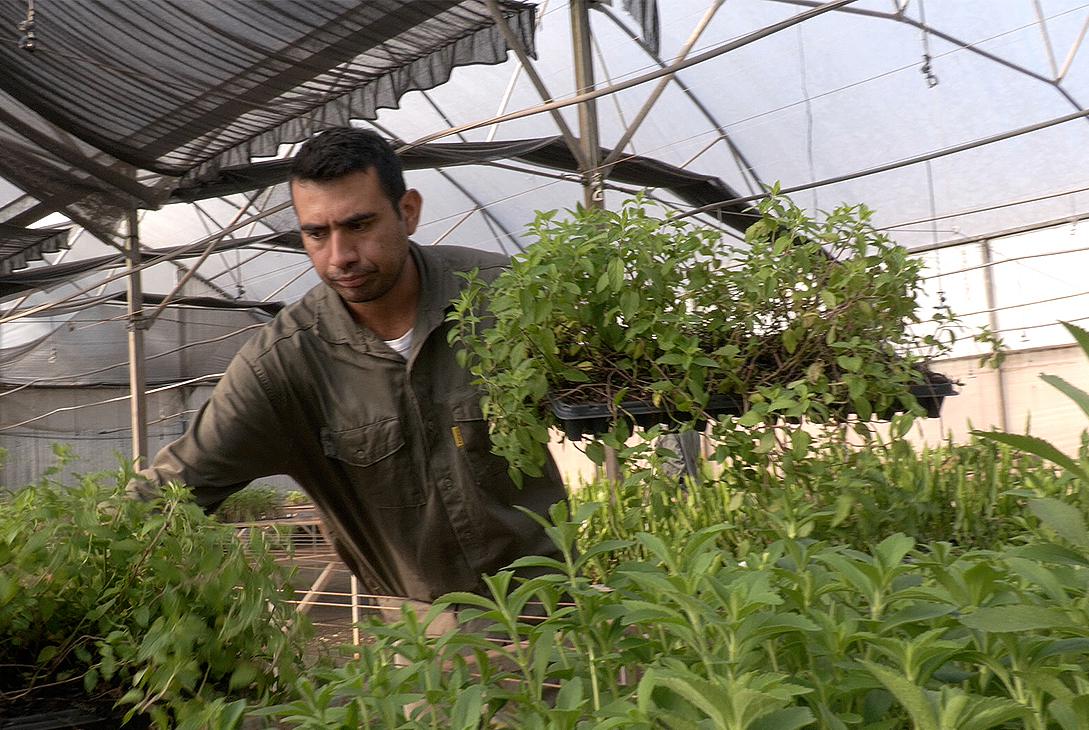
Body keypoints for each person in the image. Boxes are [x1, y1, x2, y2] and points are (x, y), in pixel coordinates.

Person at [129, 127, 568, 604]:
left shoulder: (506, 296)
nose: (339, 257)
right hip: (427, 645)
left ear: (408, 212)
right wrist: (61, 564)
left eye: (359, 225)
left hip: (558, 615)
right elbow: (173, 490)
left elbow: (619, 386)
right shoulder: (285, 364)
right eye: (317, 233)